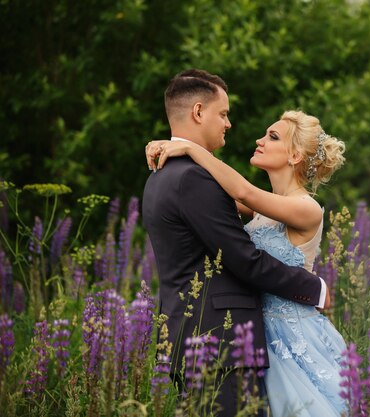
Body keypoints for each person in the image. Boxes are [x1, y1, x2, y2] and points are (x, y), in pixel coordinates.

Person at [142, 69, 331, 417]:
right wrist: (314, 288)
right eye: (224, 114)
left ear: (295, 156)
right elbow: (244, 254)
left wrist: (188, 148)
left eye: (272, 136)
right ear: (199, 112)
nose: (231, 125)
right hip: (224, 342)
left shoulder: (165, 175)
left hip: (270, 337)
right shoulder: (194, 180)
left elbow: (242, 193)